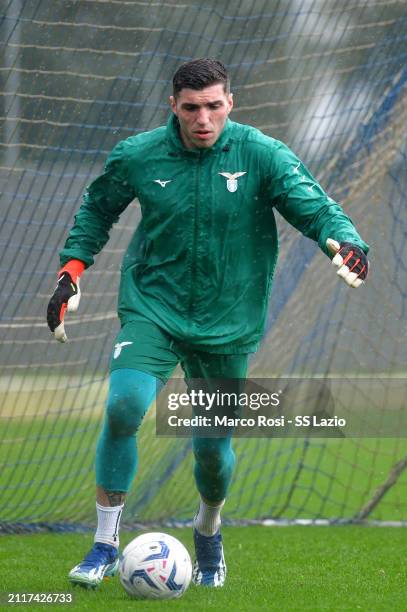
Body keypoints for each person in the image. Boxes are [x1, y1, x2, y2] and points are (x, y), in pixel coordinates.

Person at [47, 58, 369, 589]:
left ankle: (208, 528)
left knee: (212, 453)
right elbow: (96, 211)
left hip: (229, 320)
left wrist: (349, 242)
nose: (203, 119)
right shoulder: (137, 154)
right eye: (192, 108)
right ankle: (105, 543)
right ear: (172, 105)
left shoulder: (262, 154)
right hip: (153, 306)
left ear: (230, 103)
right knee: (125, 405)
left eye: (214, 106)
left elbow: (316, 209)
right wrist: (71, 271)